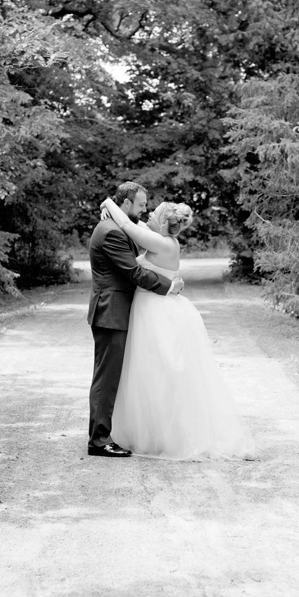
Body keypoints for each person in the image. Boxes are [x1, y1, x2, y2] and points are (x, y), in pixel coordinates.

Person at [99, 197, 257, 461]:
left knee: (161, 374)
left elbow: (127, 222)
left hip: (155, 312)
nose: (149, 214)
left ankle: (169, 436)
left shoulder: (160, 242)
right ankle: (157, 432)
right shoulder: (162, 238)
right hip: (154, 308)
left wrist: (107, 201)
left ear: (162, 222)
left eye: (154, 212)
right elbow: (134, 222)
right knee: (150, 374)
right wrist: (113, 209)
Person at [86, 181, 183, 458]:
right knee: (107, 378)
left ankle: (103, 434)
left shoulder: (117, 226)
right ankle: (99, 441)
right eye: (141, 205)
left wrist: (107, 205)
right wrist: (169, 286)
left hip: (116, 311)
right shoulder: (112, 232)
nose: (144, 210)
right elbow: (135, 273)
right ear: (126, 204)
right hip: (111, 312)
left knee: (111, 376)